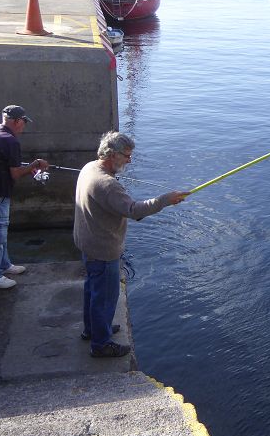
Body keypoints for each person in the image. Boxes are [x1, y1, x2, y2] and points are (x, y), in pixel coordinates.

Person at [74, 131, 189, 358]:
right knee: (104, 298)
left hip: (86, 243)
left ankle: (93, 329)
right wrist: (164, 200)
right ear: (112, 154)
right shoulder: (108, 184)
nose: (129, 160)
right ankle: (101, 344)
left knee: (92, 291)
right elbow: (134, 211)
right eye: (126, 156)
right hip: (103, 249)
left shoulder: (89, 168)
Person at [0, 105, 49, 289]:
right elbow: (15, 174)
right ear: (16, 121)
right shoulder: (11, 142)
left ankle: (4, 265)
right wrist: (35, 164)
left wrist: (28, 168)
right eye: (23, 122)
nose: (24, 126)